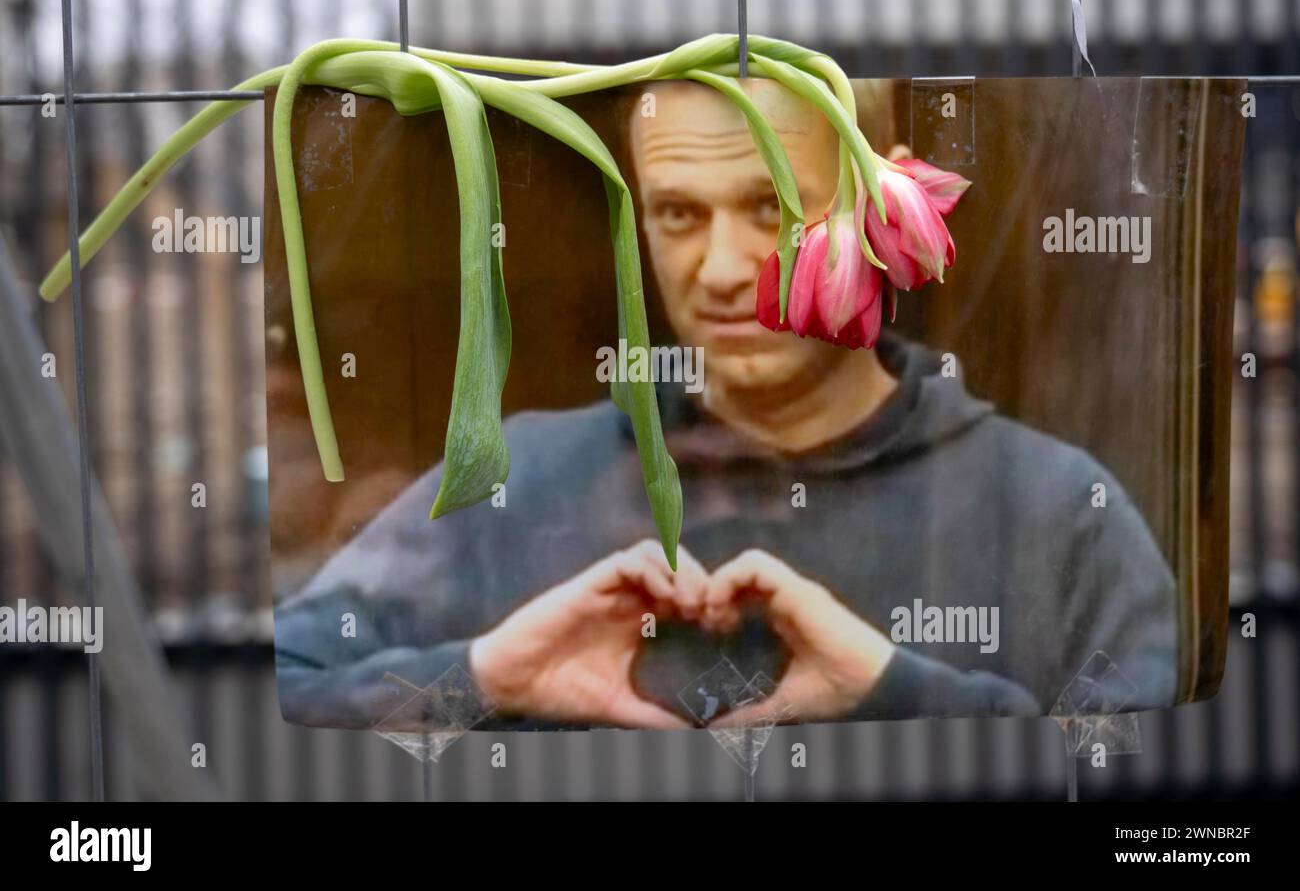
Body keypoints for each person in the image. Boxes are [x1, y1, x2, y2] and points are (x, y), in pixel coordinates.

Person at [274, 79, 1177, 732]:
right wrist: (478, 677)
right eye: (676, 214)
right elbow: (279, 681)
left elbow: (1185, 822)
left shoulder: (1059, 514)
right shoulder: (515, 484)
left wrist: (901, 697)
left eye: (773, 206)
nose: (720, 272)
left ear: (883, 197)